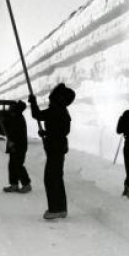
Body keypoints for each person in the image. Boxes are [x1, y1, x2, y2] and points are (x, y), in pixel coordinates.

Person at [29, 83, 76, 220]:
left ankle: (55, 209)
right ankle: (61, 209)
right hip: (58, 148)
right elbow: (59, 130)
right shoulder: (62, 111)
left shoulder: (55, 110)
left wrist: (33, 102)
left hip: (55, 149)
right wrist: (46, 133)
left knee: (51, 179)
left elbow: (37, 115)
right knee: (57, 178)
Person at [2, 101, 31, 194]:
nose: (10, 108)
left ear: (16, 109)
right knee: (12, 165)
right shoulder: (14, 117)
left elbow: (16, 133)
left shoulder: (18, 118)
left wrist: (12, 142)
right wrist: (2, 120)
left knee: (18, 165)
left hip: (19, 146)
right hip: (14, 145)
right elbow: (7, 127)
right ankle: (14, 184)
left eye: (12, 107)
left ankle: (27, 185)